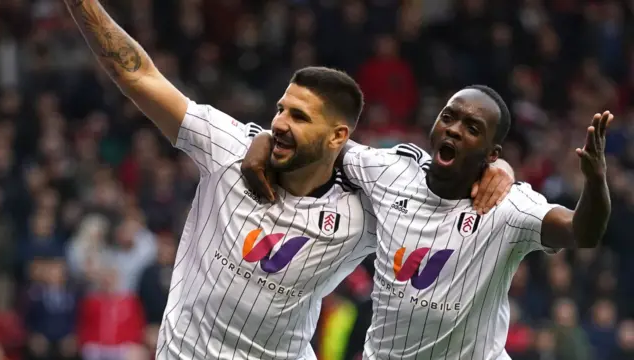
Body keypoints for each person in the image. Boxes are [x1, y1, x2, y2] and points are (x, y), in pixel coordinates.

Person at [63, 1, 513, 359]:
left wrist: (495, 169)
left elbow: (435, 190)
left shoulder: (362, 210)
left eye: (299, 117)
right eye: (280, 109)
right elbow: (137, 73)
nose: (279, 122)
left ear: (338, 136)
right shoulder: (228, 147)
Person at [242, 86, 612, 359]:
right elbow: (318, 142)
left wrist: (595, 182)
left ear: (491, 153)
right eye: (448, 117)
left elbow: (583, 231)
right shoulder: (389, 171)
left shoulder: (507, 207)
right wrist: (262, 139)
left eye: (471, 128)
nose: (453, 129)